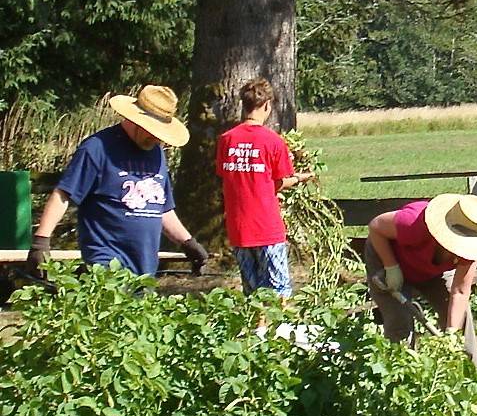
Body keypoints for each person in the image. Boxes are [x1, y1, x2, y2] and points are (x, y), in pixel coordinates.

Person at [27, 85, 208, 277]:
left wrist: (188, 243)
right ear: (135, 120)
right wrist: (41, 241)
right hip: (106, 266)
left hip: (145, 270)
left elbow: (161, 208)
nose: (157, 138)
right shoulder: (97, 148)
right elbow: (63, 194)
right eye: (152, 131)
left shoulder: (156, 153)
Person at [364, 193, 477, 366]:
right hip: (387, 260)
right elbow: (376, 226)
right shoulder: (413, 223)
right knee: (400, 322)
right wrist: (390, 266)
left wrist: (452, 332)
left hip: (428, 272)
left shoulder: (470, 249)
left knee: (460, 316)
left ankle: (469, 370)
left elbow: (460, 291)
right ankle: (400, 374)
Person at [216, 78, 314, 298]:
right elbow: (277, 183)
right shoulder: (273, 141)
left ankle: (257, 330)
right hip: (266, 228)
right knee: (279, 290)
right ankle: (279, 331)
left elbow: (228, 177)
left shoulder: (226, 140)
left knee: (252, 291)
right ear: (267, 105)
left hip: (239, 229)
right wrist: (300, 178)